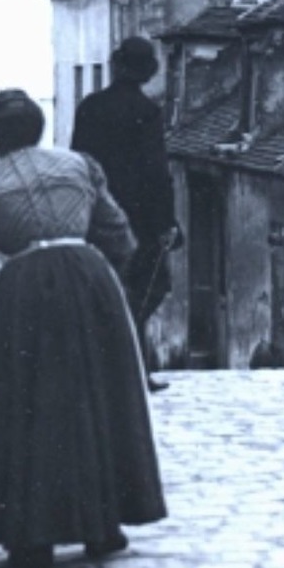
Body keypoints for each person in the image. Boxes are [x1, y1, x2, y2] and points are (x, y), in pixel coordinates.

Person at [0, 89, 168, 568]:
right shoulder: (81, 166)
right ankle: (104, 527)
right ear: (38, 126)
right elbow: (118, 233)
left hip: (23, 286)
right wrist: (104, 276)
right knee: (97, 396)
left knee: (26, 404)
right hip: (88, 273)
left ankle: (30, 537)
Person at [71, 36, 181, 392]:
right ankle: (130, 366)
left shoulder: (89, 107)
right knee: (149, 287)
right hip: (140, 217)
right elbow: (155, 172)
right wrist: (166, 221)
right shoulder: (146, 111)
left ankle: (105, 366)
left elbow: (80, 162)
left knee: (106, 288)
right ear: (148, 70)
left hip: (96, 213)